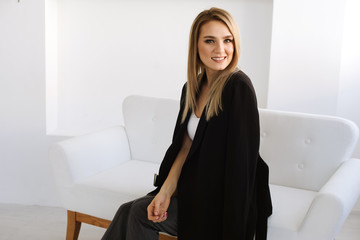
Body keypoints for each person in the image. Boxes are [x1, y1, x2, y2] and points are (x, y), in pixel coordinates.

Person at [102, 7, 272, 240]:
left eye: (227, 40)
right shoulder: (192, 88)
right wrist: (164, 192)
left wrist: (233, 229)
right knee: (128, 211)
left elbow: (240, 167)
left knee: (139, 214)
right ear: (196, 45)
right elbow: (184, 147)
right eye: (210, 41)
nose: (220, 50)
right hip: (194, 188)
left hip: (220, 202)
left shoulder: (238, 88)